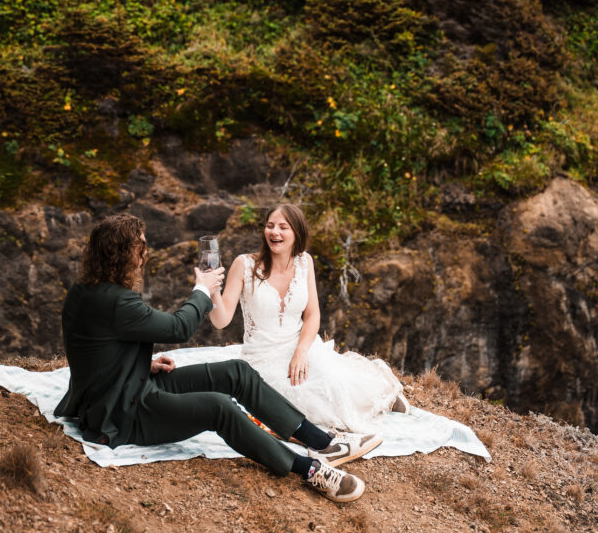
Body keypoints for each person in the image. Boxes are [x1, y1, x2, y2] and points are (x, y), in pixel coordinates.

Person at [54, 213, 381, 504]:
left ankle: (321, 442)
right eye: (140, 248)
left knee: (235, 372)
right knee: (218, 406)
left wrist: (142, 364)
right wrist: (202, 288)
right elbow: (179, 327)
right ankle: (309, 470)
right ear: (121, 254)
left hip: (130, 384)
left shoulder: (87, 290)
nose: (145, 254)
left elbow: (95, 348)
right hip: (122, 413)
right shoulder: (115, 300)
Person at [210, 203, 412, 432]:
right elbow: (220, 320)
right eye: (270, 226)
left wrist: (301, 352)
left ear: (297, 233)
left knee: (335, 382)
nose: (274, 232)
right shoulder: (244, 264)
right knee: (300, 398)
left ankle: (383, 394)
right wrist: (212, 289)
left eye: (283, 227)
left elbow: (313, 314)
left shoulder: (305, 262)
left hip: (302, 346)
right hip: (262, 356)